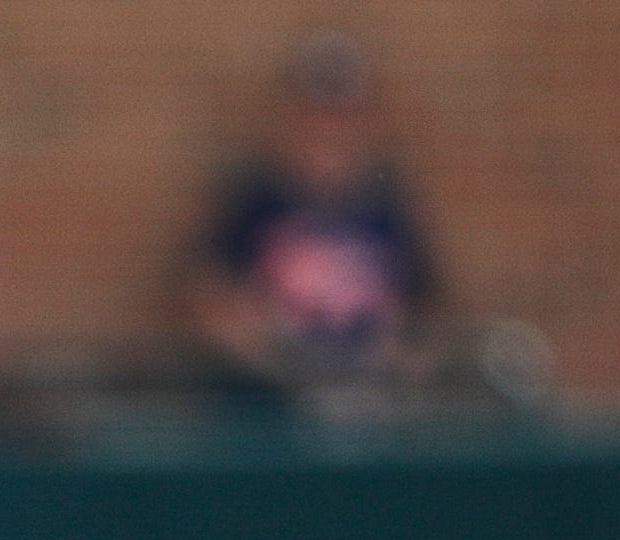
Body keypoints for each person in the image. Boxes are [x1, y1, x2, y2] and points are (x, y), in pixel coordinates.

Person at [187, 32, 442, 414]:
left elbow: (424, 310)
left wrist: (393, 363)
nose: (328, 129)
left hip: (368, 417)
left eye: (341, 115)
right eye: (316, 114)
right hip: (267, 417)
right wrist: (284, 360)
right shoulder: (255, 201)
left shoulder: (386, 206)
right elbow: (207, 300)